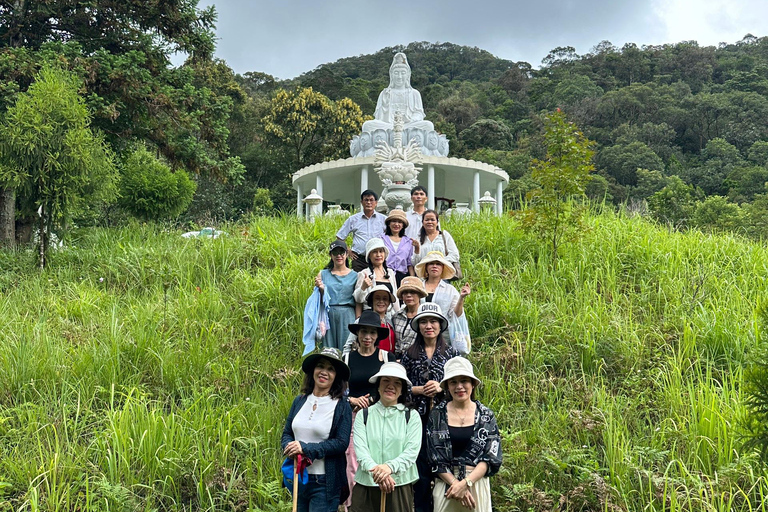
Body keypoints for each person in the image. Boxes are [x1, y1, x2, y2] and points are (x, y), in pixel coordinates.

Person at [401, 303, 460, 512]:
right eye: (424, 321)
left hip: (446, 420)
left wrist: (441, 387)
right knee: (421, 471)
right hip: (417, 420)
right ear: (418, 326)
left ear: (440, 325)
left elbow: (462, 388)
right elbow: (398, 390)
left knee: (445, 467)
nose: (429, 326)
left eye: (433, 321)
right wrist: (418, 390)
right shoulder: (409, 354)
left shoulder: (452, 354)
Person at [281, 347, 353, 512]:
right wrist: (289, 446)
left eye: (330, 369)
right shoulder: (299, 401)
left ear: (336, 376)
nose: (324, 372)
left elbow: (341, 443)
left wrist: (305, 448)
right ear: (313, 370)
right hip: (299, 478)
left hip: (325, 482)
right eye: (320, 366)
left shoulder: (342, 405)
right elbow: (287, 433)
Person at [427, 357, 502, 512]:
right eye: (453, 382)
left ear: (472, 384)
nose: (459, 386)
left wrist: (466, 483)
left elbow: (491, 457)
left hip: (476, 482)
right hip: (446, 485)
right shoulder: (437, 415)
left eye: (464, 381)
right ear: (447, 386)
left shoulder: (486, 415)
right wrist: (456, 484)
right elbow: (434, 457)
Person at [350, 362, 422, 512]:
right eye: (386, 381)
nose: (391, 386)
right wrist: (379, 473)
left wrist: (389, 468)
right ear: (378, 385)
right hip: (366, 485)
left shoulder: (411, 416)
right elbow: (361, 451)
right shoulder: (364, 415)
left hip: (399, 484)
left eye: (397, 383)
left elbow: (411, 452)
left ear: (402, 389)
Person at [342, 311, 397, 509]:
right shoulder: (347, 358)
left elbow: (392, 386)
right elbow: (339, 390)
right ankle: (354, 504)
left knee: (379, 457)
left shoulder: (386, 357)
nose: (367, 337)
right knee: (353, 460)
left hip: (381, 415)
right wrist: (351, 400)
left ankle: (378, 502)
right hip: (354, 416)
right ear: (358, 334)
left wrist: (373, 398)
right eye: (364, 332)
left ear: (377, 336)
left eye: (372, 333)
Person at [361, 52, 434, 133]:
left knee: (428, 125)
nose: (399, 77)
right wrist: (385, 106)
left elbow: (419, 114)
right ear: (391, 75)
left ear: (408, 75)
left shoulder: (414, 93)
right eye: (396, 73)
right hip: (388, 126)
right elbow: (379, 117)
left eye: (403, 73)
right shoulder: (385, 93)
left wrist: (410, 119)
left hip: (408, 125)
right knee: (367, 125)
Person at [315, 240, 358, 351]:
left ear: (346, 254)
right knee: (328, 349)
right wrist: (321, 290)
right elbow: (317, 301)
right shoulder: (323, 274)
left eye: (341, 252)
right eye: (335, 253)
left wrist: (358, 321)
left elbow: (358, 301)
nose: (339, 256)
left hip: (348, 315)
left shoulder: (355, 275)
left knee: (347, 348)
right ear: (330, 255)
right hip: (328, 315)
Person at [336, 190, 386, 272]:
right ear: (362, 202)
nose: (369, 202)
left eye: (371, 200)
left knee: (377, 282)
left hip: (378, 258)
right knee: (359, 283)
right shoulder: (353, 219)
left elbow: (391, 235)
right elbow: (340, 237)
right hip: (359, 259)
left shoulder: (383, 219)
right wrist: (348, 251)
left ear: (376, 203)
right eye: (366, 200)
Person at [344, 284, 397, 356]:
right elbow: (348, 346)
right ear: (371, 301)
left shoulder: (392, 322)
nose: (381, 301)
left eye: (385, 299)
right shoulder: (361, 321)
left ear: (388, 303)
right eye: (377, 298)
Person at [353, 238, 399, 317]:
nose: (378, 255)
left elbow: (395, 298)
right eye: (374, 252)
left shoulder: (390, 273)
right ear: (369, 255)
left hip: (388, 315)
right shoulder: (364, 273)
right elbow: (358, 300)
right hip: (369, 316)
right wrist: (363, 287)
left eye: (381, 251)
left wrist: (398, 315)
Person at [391, 276, 427, 359]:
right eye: (405, 293)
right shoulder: (397, 316)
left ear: (419, 295)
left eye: (412, 292)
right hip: (398, 358)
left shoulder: (425, 316)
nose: (408, 295)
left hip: (418, 359)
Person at [381, 209, 415, 286]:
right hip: (385, 275)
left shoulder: (408, 242)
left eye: (399, 222)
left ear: (403, 225)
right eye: (394, 221)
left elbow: (409, 263)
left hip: (402, 276)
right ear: (389, 223)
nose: (396, 224)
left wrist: (412, 279)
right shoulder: (381, 239)